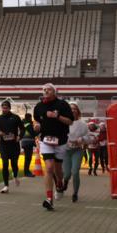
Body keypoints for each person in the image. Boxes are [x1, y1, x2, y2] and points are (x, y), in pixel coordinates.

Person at [32, 83, 73, 211]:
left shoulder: (62, 105)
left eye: (48, 89)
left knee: (58, 170)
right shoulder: (39, 106)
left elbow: (70, 121)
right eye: (43, 89)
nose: (45, 91)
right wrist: (37, 126)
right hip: (45, 140)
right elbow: (37, 120)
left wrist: (57, 116)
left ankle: (60, 182)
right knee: (49, 168)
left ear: (54, 91)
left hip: (60, 140)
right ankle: (49, 199)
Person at [0, 99, 22, 193]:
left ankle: (15, 175)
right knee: (5, 164)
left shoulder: (16, 117)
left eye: (6, 108)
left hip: (14, 145)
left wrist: (19, 137)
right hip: (3, 145)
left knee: (14, 164)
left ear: (9, 108)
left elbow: (22, 129)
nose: (4, 109)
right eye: (3, 108)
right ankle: (6, 186)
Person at [64, 102, 90, 203]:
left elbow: (88, 137)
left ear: (77, 111)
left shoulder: (82, 124)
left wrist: (81, 139)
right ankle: (65, 181)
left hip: (77, 151)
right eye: (70, 109)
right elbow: (59, 135)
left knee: (75, 172)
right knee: (66, 174)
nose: (73, 110)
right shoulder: (63, 122)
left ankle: (75, 193)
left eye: (75, 108)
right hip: (66, 151)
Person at [21, 112, 37, 177]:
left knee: (27, 158)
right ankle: (26, 172)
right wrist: (38, 131)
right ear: (29, 117)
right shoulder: (28, 125)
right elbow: (33, 134)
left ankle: (26, 171)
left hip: (25, 142)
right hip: (28, 143)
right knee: (28, 158)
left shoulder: (24, 124)